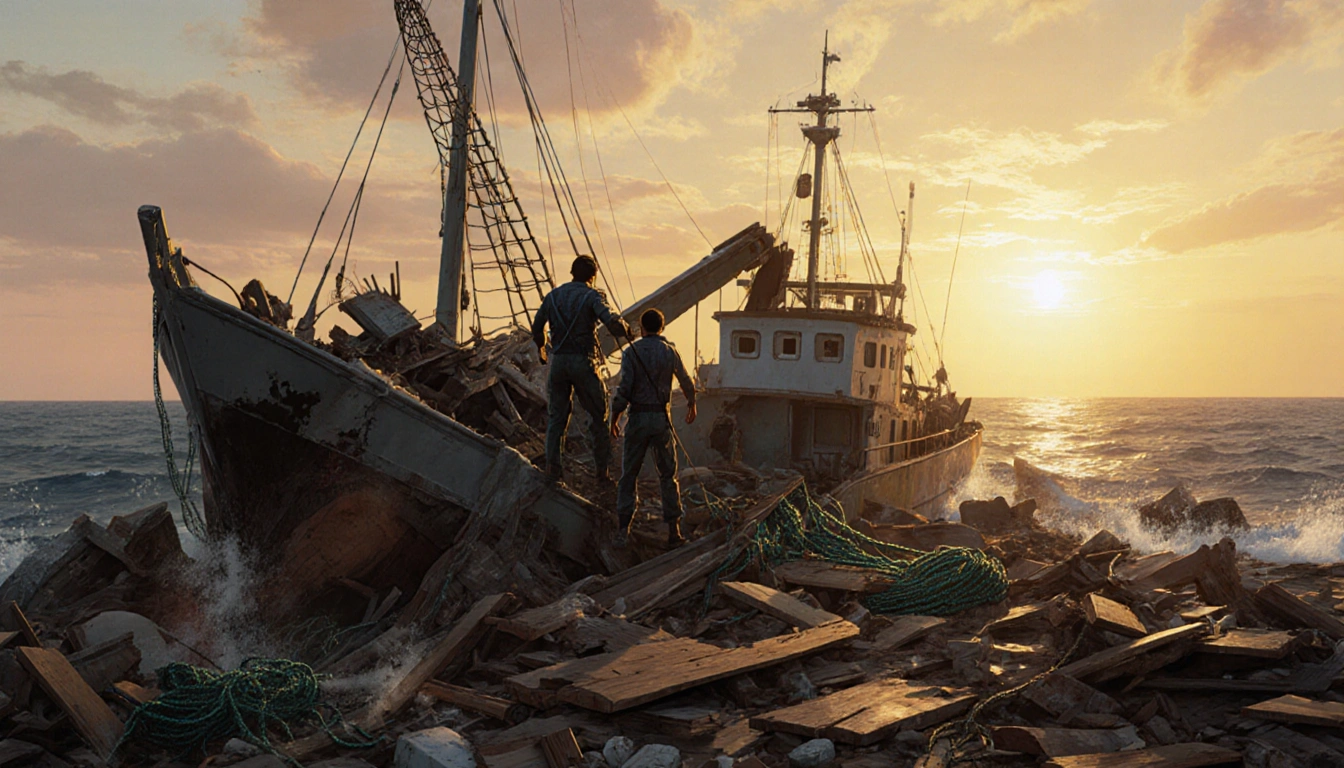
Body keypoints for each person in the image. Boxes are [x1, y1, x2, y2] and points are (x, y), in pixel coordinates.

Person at [531, 255, 631, 481]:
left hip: (558, 362)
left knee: (557, 417)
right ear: (593, 276)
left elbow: (537, 327)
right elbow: (611, 322)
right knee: (598, 415)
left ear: (572, 273)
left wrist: (542, 351)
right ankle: (602, 472)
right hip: (583, 361)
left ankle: (552, 469)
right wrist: (625, 328)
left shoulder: (553, 296)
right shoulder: (593, 296)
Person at [609, 308, 697, 546]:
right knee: (668, 474)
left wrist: (615, 417)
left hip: (637, 418)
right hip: (661, 420)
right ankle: (674, 533)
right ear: (662, 326)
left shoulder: (631, 352)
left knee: (629, 475)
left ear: (641, 327)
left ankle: (622, 531)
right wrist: (692, 404)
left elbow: (624, 389)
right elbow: (686, 381)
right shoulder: (671, 351)